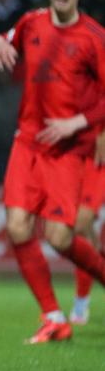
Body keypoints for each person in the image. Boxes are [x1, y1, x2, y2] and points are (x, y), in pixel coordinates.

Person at [0, 0, 105, 344]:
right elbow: (7, 38)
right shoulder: (31, 22)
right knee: (17, 227)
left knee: (59, 238)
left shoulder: (94, 38)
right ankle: (54, 317)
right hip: (27, 142)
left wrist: (79, 121)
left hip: (68, 150)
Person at [69, 130, 105, 324]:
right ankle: (81, 301)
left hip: (99, 155)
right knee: (80, 228)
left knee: (81, 222)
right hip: (80, 154)